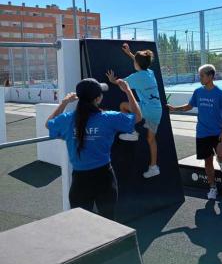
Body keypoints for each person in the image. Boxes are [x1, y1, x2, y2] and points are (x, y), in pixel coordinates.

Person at [45, 78, 142, 220]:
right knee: (108, 222)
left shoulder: (67, 119)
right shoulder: (109, 118)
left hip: (80, 181)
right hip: (104, 179)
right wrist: (128, 91)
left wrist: (64, 102)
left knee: (81, 224)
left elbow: (49, 124)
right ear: (98, 98)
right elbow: (138, 117)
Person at [168, 64, 222, 200]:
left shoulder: (220, 94)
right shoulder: (198, 92)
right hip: (202, 133)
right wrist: (173, 109)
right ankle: (213, 188)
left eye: (201, 75)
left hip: (218, 132)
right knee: (208, 161)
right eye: (199, 75)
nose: (199, 78)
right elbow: (189, 106)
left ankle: (221, 161)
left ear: (210, 76)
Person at [106, 43, 162, 179]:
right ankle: (154, 167)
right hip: (157, 111)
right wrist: (130, 54)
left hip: (145, 110)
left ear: (136, 63)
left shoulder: (136, 77)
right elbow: (141, 64)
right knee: (151, 139)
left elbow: (123, 84)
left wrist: (113, 80)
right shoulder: (150, 73)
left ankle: (131, 131)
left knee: (123, 106)